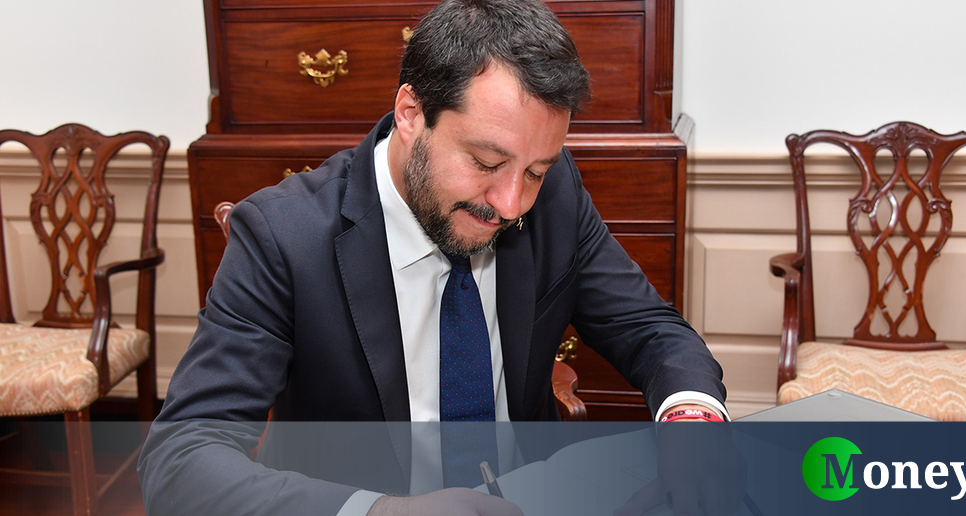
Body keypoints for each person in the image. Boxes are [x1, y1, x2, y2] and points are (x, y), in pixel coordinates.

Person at [138, 0, 743, 515]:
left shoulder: (555, 197)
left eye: (535, 170)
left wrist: (691, 418)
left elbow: (651, 329)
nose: (511, 204)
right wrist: (378, 512)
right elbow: (180, 459)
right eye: (485, 162)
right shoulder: (283, 235)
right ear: (411, 113)